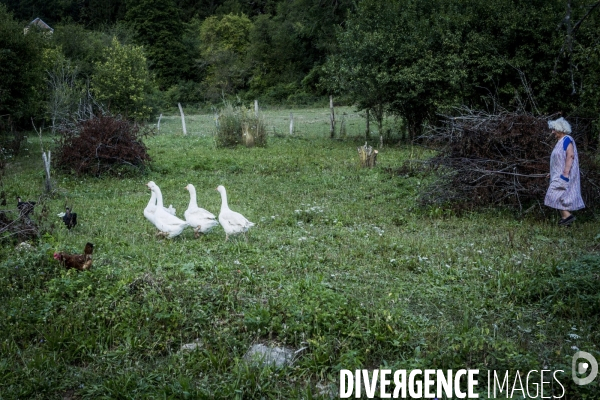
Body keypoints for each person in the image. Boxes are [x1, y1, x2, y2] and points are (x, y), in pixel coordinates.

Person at [544, 117, 584, 225]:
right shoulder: (560, 142)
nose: (552, 132)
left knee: (553, 194)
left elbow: (570, 156)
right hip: (557, 174)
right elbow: (558, 160)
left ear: (561, 129)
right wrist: (551, 173)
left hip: (564, 175)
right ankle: (566, 219)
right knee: (559, 196)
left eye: (554, 129)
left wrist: (565, 173)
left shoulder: (567, 139)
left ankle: (567, 216)